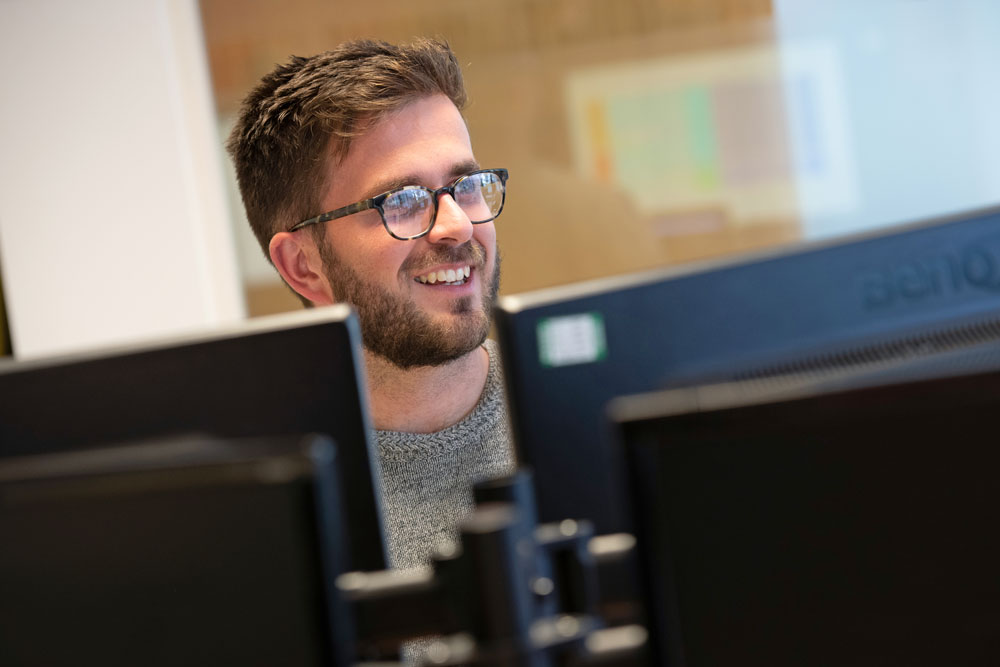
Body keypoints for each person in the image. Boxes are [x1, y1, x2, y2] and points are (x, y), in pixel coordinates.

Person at [226, 39, 514, 572]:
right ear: (302, 266)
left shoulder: (587, 420)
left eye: (466, 185)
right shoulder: (255, 514)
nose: (457, 225)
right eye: (402, 201)